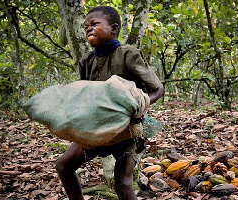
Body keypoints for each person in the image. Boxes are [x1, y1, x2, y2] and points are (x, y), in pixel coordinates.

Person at [55, 6, 164, 200]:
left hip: (128, 132)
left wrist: (139, 107)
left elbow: (158, 89)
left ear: (113, 28)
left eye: (94, 24)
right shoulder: (86, 62)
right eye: (86, 26)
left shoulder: (128, 54)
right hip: (98, 129)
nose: (88, 28)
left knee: (122, 183)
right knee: (64, 166)